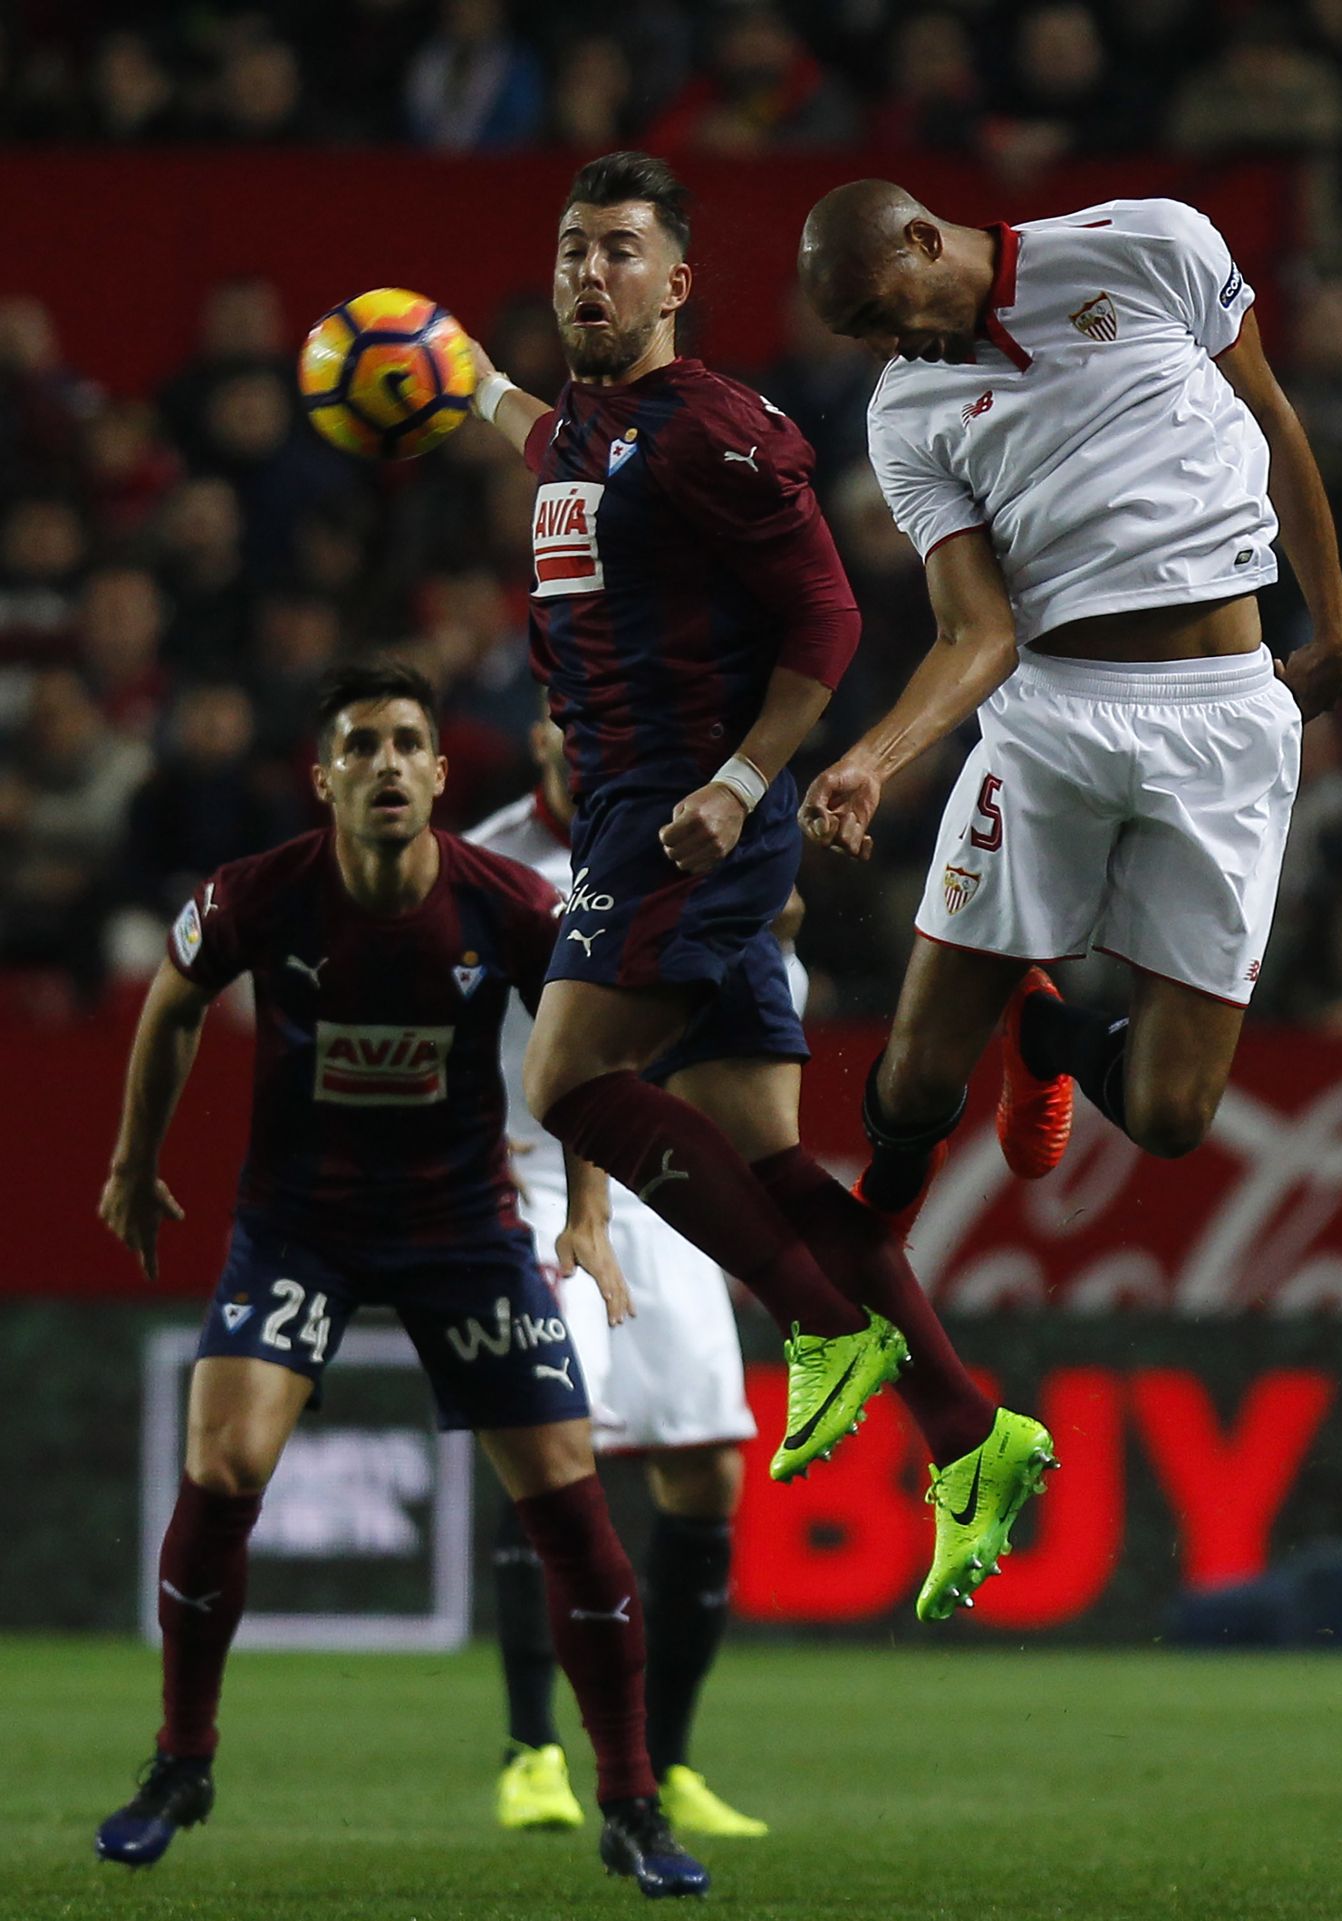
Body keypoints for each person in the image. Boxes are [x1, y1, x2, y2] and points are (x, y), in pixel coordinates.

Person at [467, 149, 1053, 1623]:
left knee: (567, 1080)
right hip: (643, 809)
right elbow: (554, 445)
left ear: (677, 282)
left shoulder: (715, 430)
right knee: (775, 1166)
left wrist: (737, 786)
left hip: (680, 813)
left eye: (619, 249)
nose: (588, 270)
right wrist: (463, 382)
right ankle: (970, 1431)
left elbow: (830, 618)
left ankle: (816, 1325)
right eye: (572, 248)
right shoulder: (585, 432)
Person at [92, 660, 707, 1900]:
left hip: (460, 1230)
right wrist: (131, 1162)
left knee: (569, 1495)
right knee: (224, 1465)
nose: (387, 762)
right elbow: (171, 1004)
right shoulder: (255, 894)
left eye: (408, 743)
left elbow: (585, 1054)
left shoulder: (511, 903)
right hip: (300, 1229)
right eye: (362, 744)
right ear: (324, 777)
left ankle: (631, 1801)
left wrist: (589, 1211)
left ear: (437, 773)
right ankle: (182, 1761)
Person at [794, 180, 1342, 1225]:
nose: (881, 346)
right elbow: (979, 632)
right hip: (1052, 719)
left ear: (923, 240)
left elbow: (1271, 413)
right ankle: (866, 1242)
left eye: (879, 312)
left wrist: (1334, 620)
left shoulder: (1152, 241)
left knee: (1170, 1114)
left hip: (1225, 715)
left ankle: (1045, 1034)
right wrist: (874, 758)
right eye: (855, 333)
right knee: (915, 1080)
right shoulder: (905, 414)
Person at [468, 717, 774, 1838]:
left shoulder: (686, 841)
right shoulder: (487, 861)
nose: (575, 730)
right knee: (553, 1449)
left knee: (707, 1470)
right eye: (559, 709)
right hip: (532, 1177)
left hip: (654, 1179)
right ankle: (533, 1751)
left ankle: (672, 1759)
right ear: (540, 725)